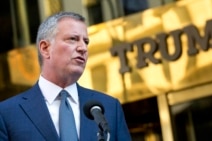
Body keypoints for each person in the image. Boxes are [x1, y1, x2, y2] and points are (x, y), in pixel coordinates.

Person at [0, 11, 131, 141]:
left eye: (86, 41)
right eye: (73, 39)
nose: (83, 48)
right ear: (45, 48)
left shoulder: (109, 108)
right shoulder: (7, 114)